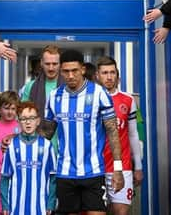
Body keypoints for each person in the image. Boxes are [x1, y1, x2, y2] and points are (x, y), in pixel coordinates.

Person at [42, 49, 124, 215]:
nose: (70, 76)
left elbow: (112, 131)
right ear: (61, 71)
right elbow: (46, 134)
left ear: (83, 70)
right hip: (64, 173)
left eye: (74, 70)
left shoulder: (99, 93)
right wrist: (18, 138)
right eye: (66, 71)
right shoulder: (54, 96)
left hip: (94, 171)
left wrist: (118, 168)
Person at [95, 56, 143, 215]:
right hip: (96, 167)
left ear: (117, 75)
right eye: (104, 73)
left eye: (112, 72)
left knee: (120, 212)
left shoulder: (128, 100)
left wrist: (138, 167)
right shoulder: (90, 100)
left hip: (122, 167)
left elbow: (133, 134)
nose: (109, 77)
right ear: (97, 75)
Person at [0, 100, 57, 215]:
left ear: (38, 121)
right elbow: (5, 178)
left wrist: (50, 203)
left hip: (40, 207)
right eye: (23, 119)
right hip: (16, 207)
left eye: (31, 118)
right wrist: (5, 205)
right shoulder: (11, 146)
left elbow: (53, 178)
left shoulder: (47, 145)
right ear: (18, 121)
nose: (28, 122)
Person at [20, 45, 63, 116]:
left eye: (55, 64)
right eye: (47, 64)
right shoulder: (30, 86)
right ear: (41, 63)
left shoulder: (69, 86)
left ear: (60, 64)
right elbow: (23, 113)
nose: (51, 68)